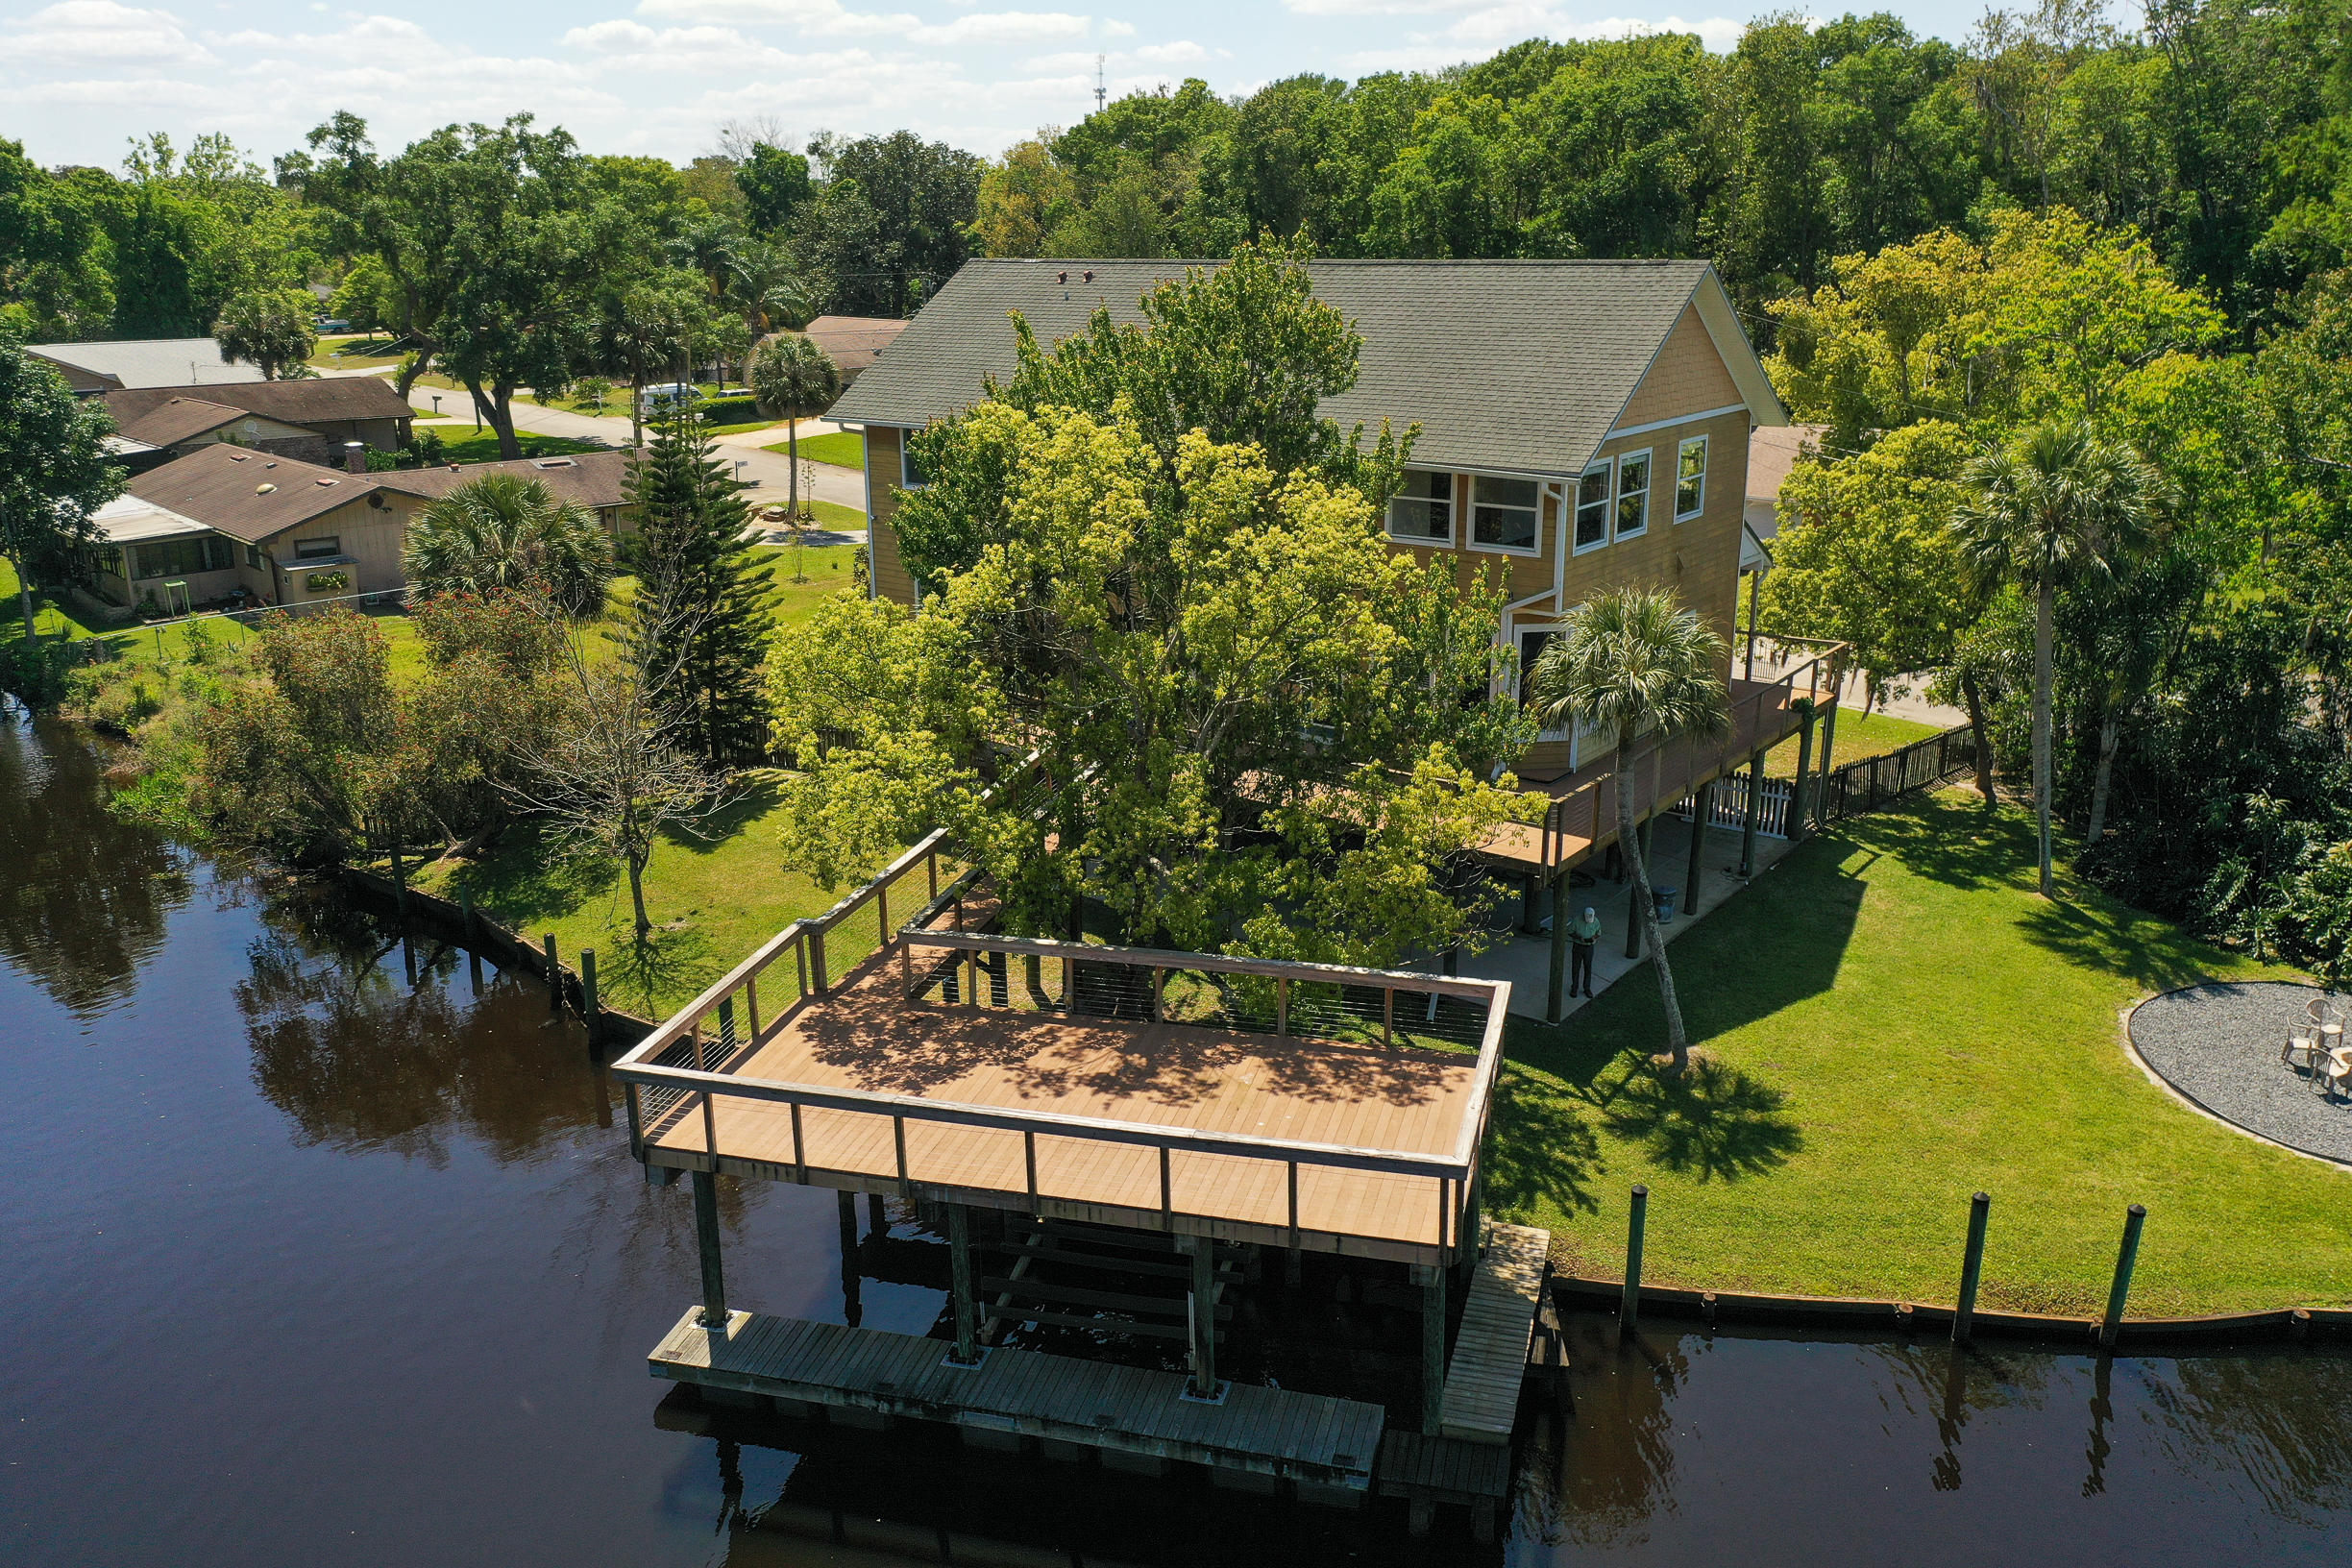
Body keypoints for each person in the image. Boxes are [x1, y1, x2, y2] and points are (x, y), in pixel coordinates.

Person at [1568, 905, 1602, 998]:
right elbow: (1570, 932)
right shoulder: (1577, 920)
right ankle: (1574, 987)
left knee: (1588, 968)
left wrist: (1593, 938)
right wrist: (1579, 937)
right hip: (1578, 946)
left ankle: (1587, 988)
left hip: (1589, 947)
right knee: (1576, 967)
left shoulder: (1596, 921)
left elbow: (1598, 933)